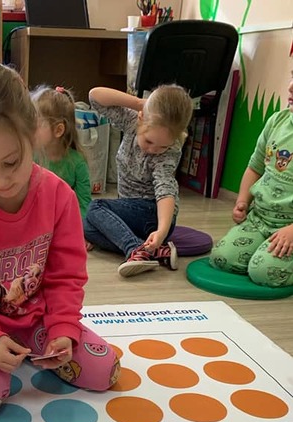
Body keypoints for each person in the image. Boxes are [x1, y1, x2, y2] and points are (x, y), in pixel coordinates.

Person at [0, 61, 120, 417]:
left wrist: (62, 328)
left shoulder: (58, 196)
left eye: (12, 162)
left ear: (33, 135)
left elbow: (66, 275)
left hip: (38, 321)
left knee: (105, 370)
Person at [83, 84, 193, 277]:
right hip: (131, 213)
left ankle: (134, 248)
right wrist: (140, 104)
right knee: (86, 227)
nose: (153, 150)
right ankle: (154, 250)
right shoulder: (132, 120)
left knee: (95, 207)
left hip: (153, 215)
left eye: (163, 146)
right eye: (149, 141)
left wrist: (161, 231)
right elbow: (95, 96)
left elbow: (166, 191)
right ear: (141, 119)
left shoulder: (169, 154)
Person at [209, 72, 293, 287]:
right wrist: (242, 201)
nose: (291, 87)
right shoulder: (277, 121)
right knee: (222, 258)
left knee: (263, 273)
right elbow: (255, 167)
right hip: (260, 219)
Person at [31, 84, 92, 219]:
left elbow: (84, 205)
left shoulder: (77, 163)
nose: (29, 129)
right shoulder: (30, 157)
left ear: (58, 130)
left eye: (36, 124)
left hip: (65, 221)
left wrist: (75, 227)